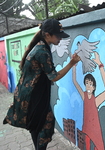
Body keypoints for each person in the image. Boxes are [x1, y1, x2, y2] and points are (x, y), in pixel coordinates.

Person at [3, 18, 80, 150]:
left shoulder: (41, 46)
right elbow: (54, 77)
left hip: (31, 95)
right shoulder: (42, 51)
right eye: (58, 36)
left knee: (36, 125)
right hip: (33, 97)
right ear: (47, 35)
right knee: (45, 124)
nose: (60, 39)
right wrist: (72, 64)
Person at [73, 52, 105, 150]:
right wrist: (74, 65)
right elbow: (75, 81)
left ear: (94, 87)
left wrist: (100, 65)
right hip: (86, 129)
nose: (88, 86)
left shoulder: (96, 100)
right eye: (87, 83)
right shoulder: (84, 96)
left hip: (95, 131)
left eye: (90, 84)